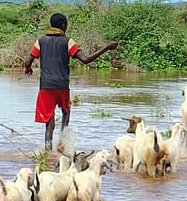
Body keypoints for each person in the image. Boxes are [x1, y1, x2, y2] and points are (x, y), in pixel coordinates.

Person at [24, 13, 118, 150]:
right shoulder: (68, 42)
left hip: (46, 86)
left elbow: (28, 61)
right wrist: (106, 48)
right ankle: (62, 143)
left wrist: (28, 69)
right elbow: (85, 59)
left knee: (49, 121)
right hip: (62, 85)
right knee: (66, 112)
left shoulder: (41, 41)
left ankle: (48, 149)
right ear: (63, 26)